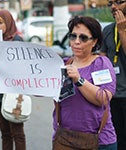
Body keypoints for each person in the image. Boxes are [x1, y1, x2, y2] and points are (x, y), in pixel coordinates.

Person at [52, 16, 117, 150]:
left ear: (94, 42)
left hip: (100, 142)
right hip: (65, 140)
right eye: (73, 36)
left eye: (83, 38)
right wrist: (6, 74)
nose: (76, 42)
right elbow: (39, 87)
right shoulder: (63, 64)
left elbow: (104, 98)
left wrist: (79, 79)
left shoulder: (101, 64)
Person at [0, 10, 26, 150]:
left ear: (9, 22)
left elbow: (23, 69)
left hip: (14, 93)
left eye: (0, 22)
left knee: (17, 133)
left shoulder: (17, 41)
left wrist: (4, 71)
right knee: (5, 133)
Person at [100, 1, 126, 149]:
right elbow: (102, 60)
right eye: (111, 3)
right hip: (112, 96)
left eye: (119, 2)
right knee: (115, 140)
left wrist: (122, 31)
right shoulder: (108, 30)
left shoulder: (120, 29)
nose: (113, 7)